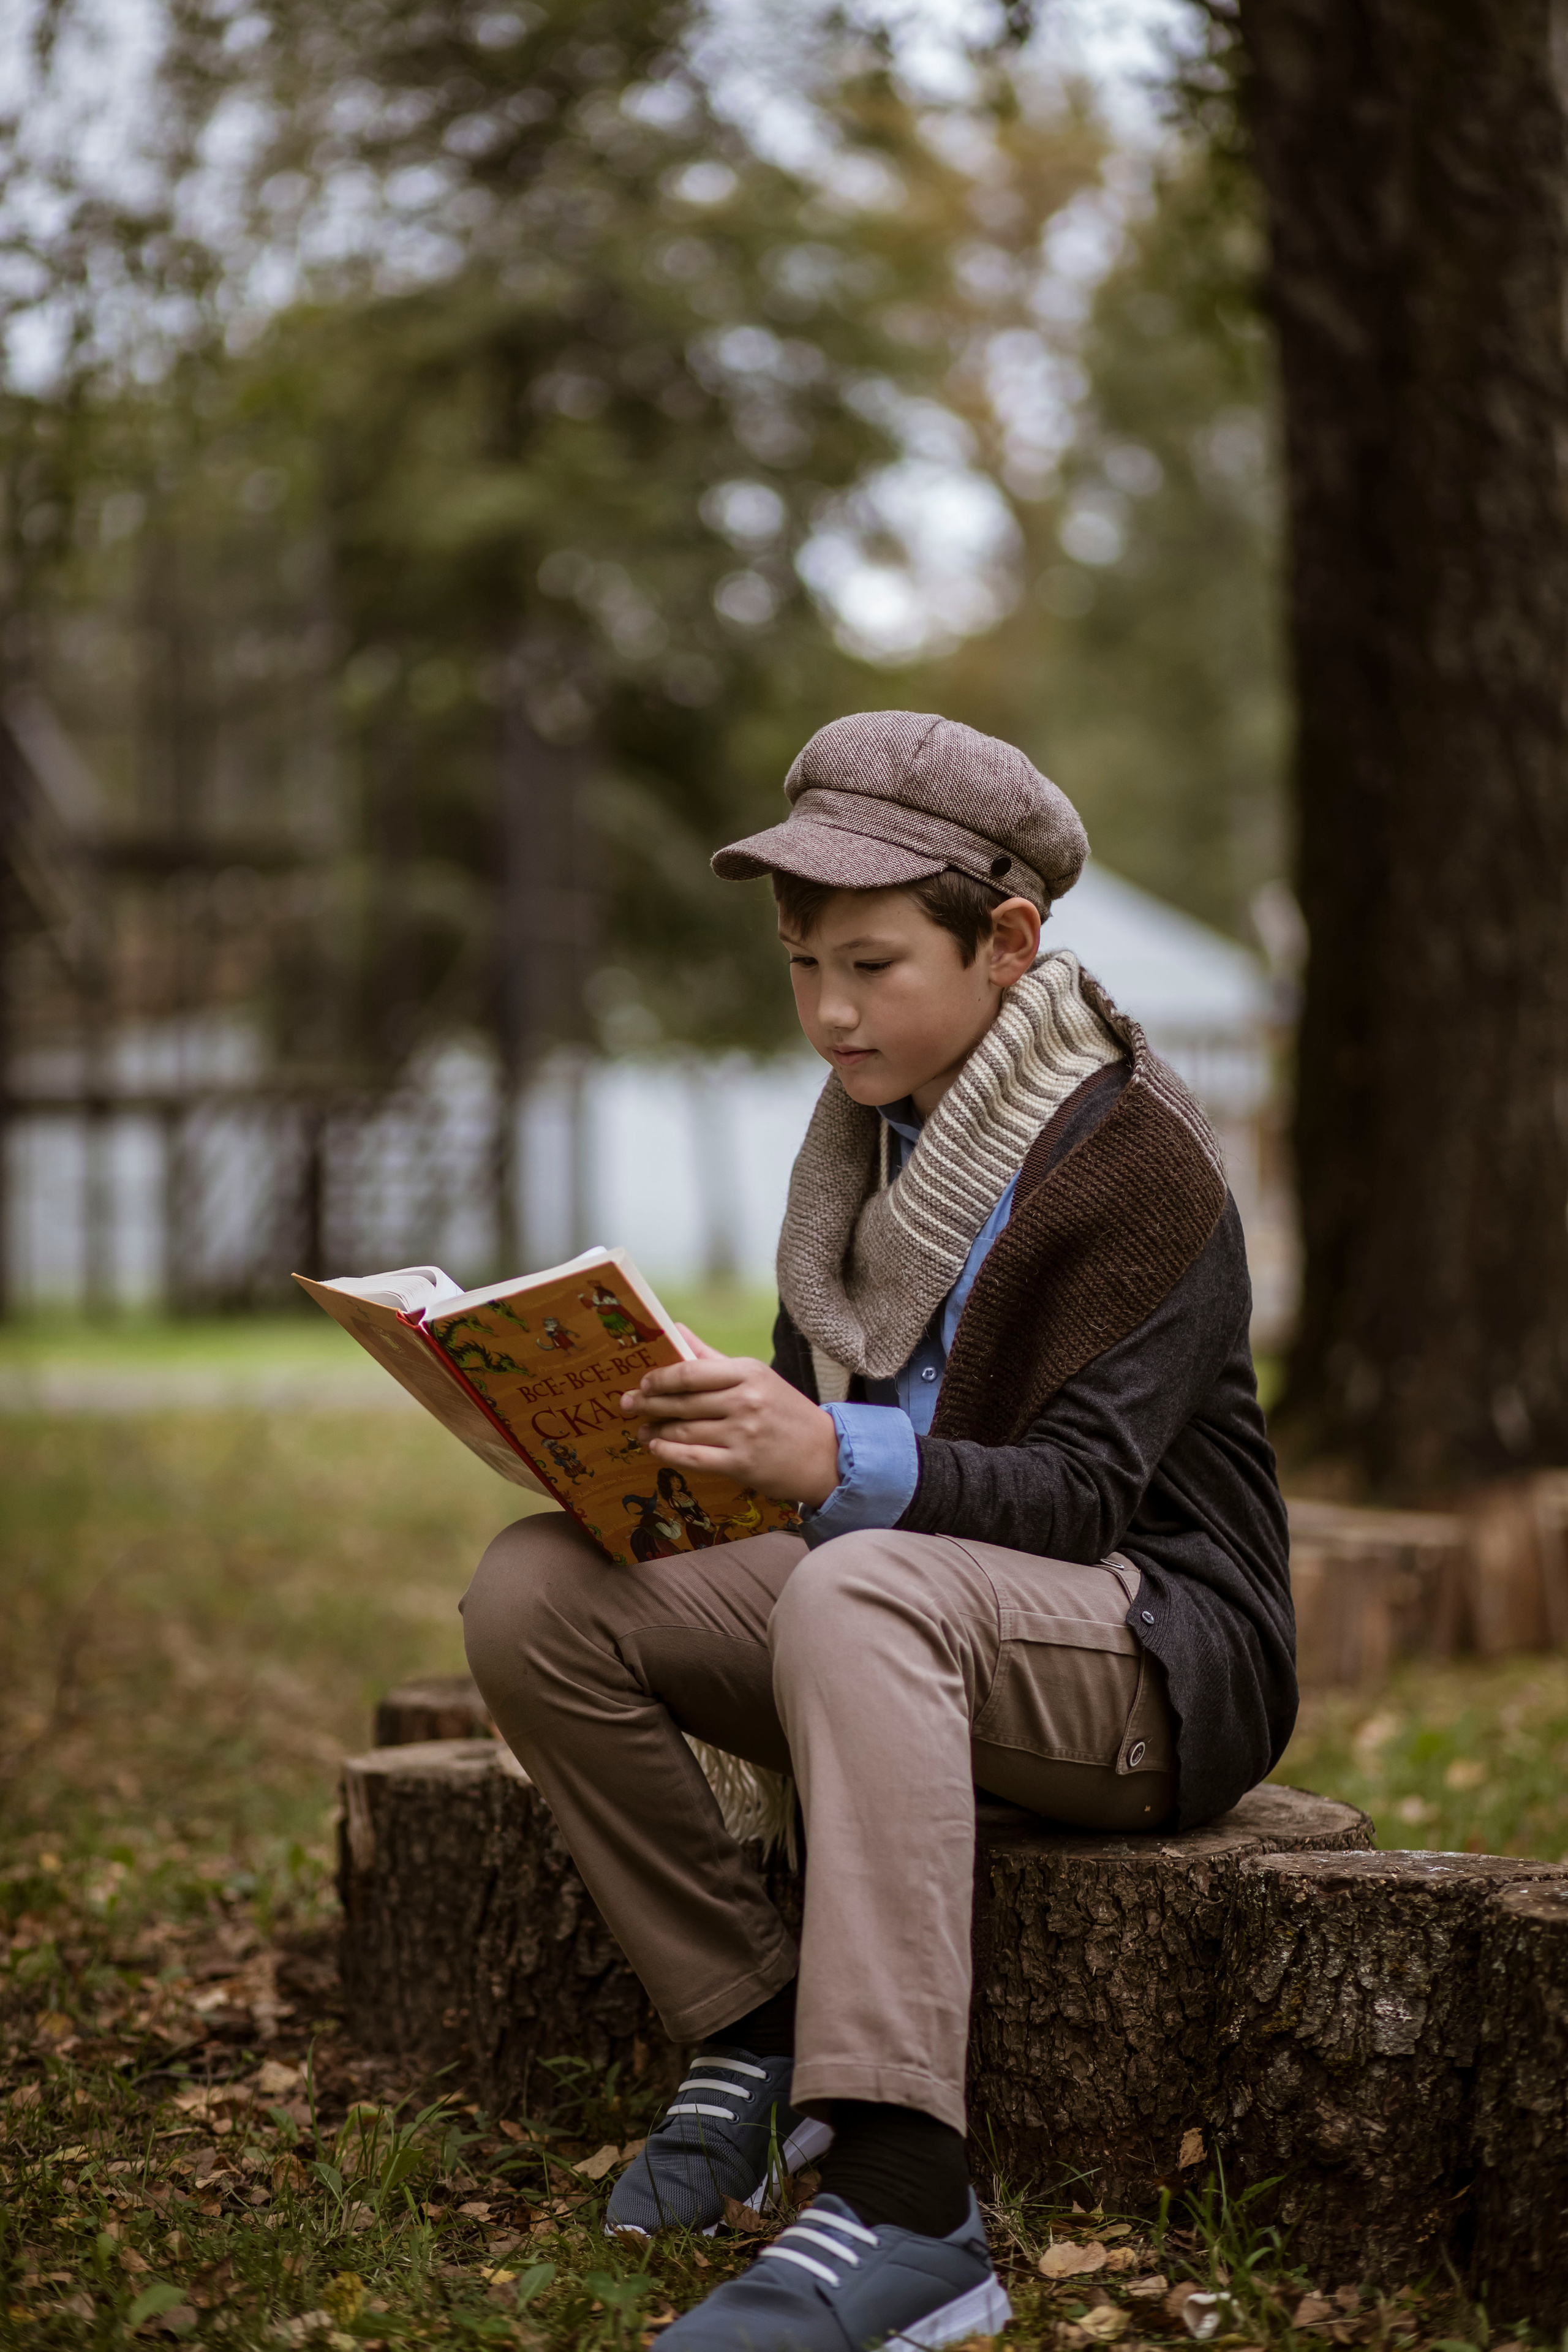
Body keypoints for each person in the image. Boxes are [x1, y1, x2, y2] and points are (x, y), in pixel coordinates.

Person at [461, 712, 1294, 2352]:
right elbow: (809, 1471)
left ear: (1008, 942)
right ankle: (758, 2025)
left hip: (1149, 1651)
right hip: (911, 1619)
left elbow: (1071, 1501)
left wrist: (822, 1451)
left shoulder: (1141, 1165)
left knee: (858, 1591)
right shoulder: (856, 1157)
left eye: (870, 962)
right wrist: (642, 1448)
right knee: (537, 1594)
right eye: (800, 965)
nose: (829, 1010)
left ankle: (914, 2200)